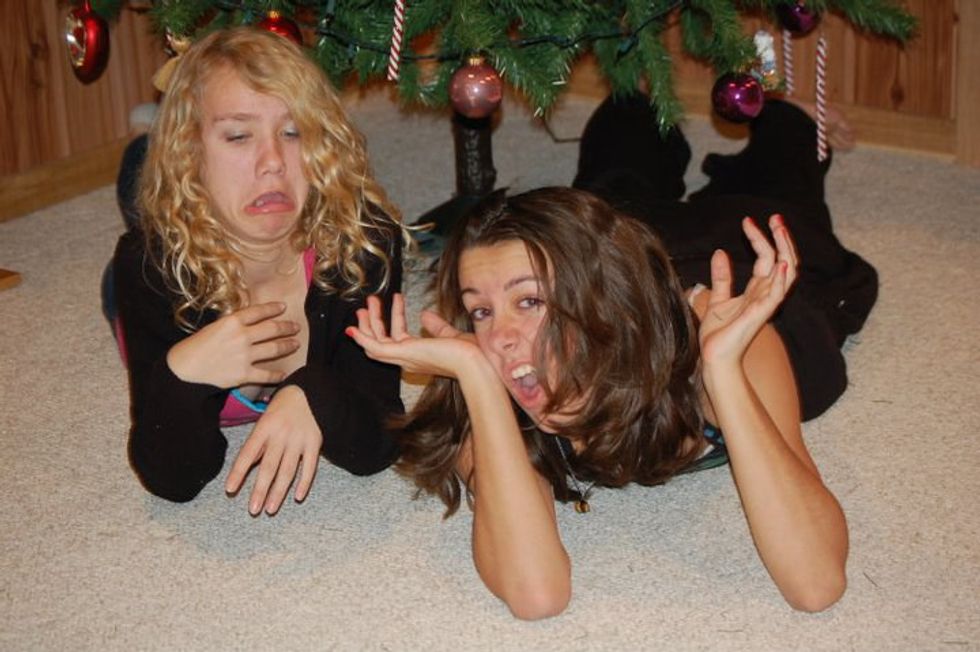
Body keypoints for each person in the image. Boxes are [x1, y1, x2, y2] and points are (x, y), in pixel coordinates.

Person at [347, 95, 872, 619]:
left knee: (778, 190)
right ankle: (637, 97)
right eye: (480, 310)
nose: (500, 337)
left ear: (596, 303)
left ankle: (785, 109)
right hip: (619, 245)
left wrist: (721, 368)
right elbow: (536, 594)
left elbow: (816, 583)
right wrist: (478, 381)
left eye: (528, 301)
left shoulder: (732, 339)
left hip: (723, 254)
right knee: (621, 149)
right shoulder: (490, 373)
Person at [109, 27, 407, 515]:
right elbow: (172, 478)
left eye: (293, 132)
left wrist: (312, 390)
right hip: (177, 253)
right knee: (138, 194)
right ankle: (142, 143)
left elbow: (380, 440)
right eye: (238, 135)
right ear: (191, 152)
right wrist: (185, 371)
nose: (273, 163)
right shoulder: (149, 267)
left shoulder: (362, 243)